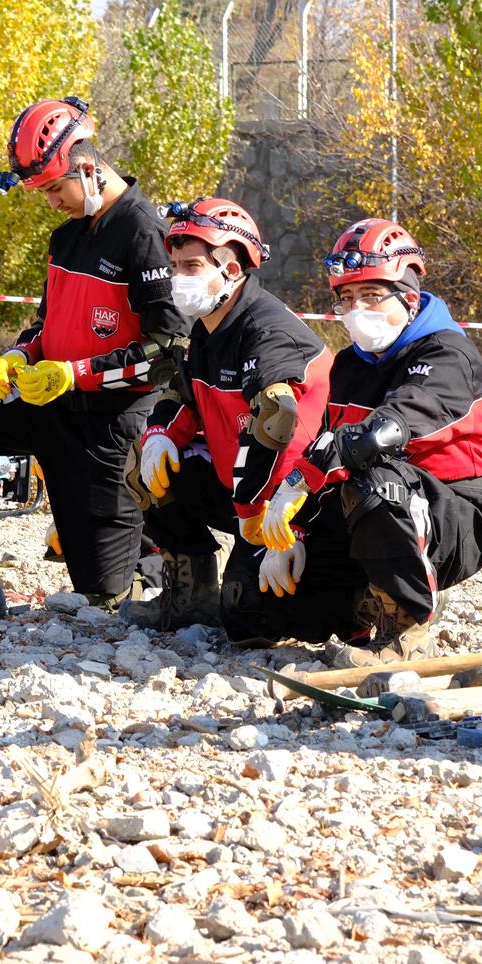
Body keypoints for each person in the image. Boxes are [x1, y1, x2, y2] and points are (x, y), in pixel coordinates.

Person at [0, 96, 187, 616]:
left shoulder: (147, 234)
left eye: (53, 189)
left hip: (108, 423)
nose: (51, 203)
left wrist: (76, 374)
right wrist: (19, 355)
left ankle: (152, 559)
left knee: (102, 600)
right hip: (45, 401)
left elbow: (169, 351)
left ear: (87, 169)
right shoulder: (65, 238)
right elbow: (46, 325)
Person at [256, 219, 482, 664]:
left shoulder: (447, 355)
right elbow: (328, 440)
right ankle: (362, 604)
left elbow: (383, 432)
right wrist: (296, 530)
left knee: (375, 477)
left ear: (408, 297)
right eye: (347, 298)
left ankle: (407, 626)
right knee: (255, 613)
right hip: (365, 510)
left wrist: (301, 479)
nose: (357, 310)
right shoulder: (349, 365)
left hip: (450, 513)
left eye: (371, 295)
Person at [124, 198, 334, 643]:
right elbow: (181, 396)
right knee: (143, 462)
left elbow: (277, 419)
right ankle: (191, 594)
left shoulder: (267, 330)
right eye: (175, 266)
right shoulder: (208, 325)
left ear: (232, 270)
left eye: (192, 266)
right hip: (243, 489)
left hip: (294, 499)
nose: (178, 277)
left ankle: (364, 590)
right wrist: (160, 436)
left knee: (248, 622)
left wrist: (252, 510)